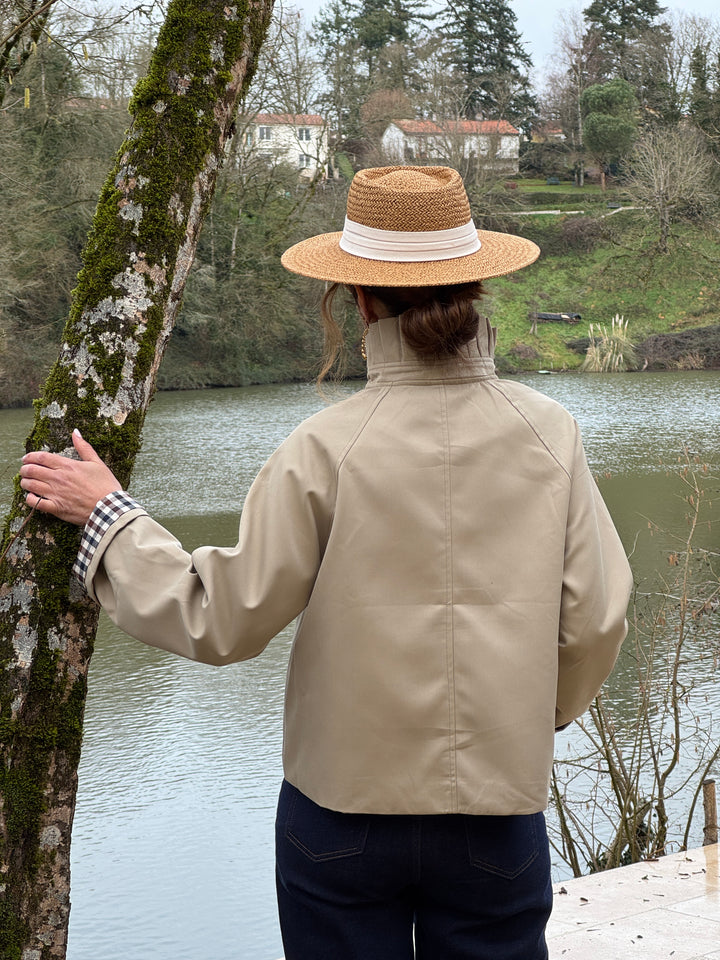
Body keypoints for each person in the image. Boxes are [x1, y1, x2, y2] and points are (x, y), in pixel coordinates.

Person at [20, 165, 633, 960]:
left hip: (342, 821)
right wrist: (527, 716)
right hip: (495, 809)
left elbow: (221, 618)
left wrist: (111, 519)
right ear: (477, 284)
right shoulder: (553, 435)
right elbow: (598, 618)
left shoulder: (324, 447)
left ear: (359, 299)